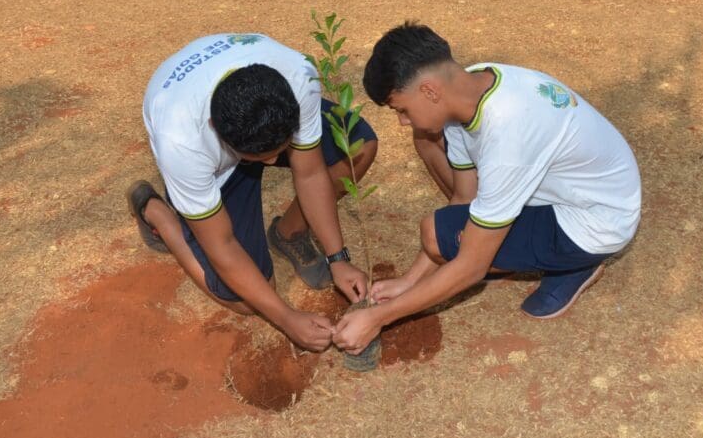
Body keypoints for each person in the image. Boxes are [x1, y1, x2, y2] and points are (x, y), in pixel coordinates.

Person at [333, 23, 640, 354]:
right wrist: (410, 282)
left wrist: (380, 317)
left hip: (596, 221)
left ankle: (575, 265)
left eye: (402, 110)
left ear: (430, 91)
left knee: (446, 239)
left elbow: (472, 267)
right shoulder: (472, 85)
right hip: (577, 192)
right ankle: (527, 251)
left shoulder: (508, 134)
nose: (403, 121)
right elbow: (465, 198)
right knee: (443, 234)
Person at [127, 33, 377, 352]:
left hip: (254, 117)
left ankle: (289, 233)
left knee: (357, 149)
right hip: (217, 162)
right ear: (217, 129)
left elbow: (310, 172)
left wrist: (337, 258)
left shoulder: (299, 76)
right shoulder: (182, 143)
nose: (274, 162)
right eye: (262, 158)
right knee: (247, 300)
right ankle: (158, 214)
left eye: (280, 150)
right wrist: (286, 317)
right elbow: (222, 244)